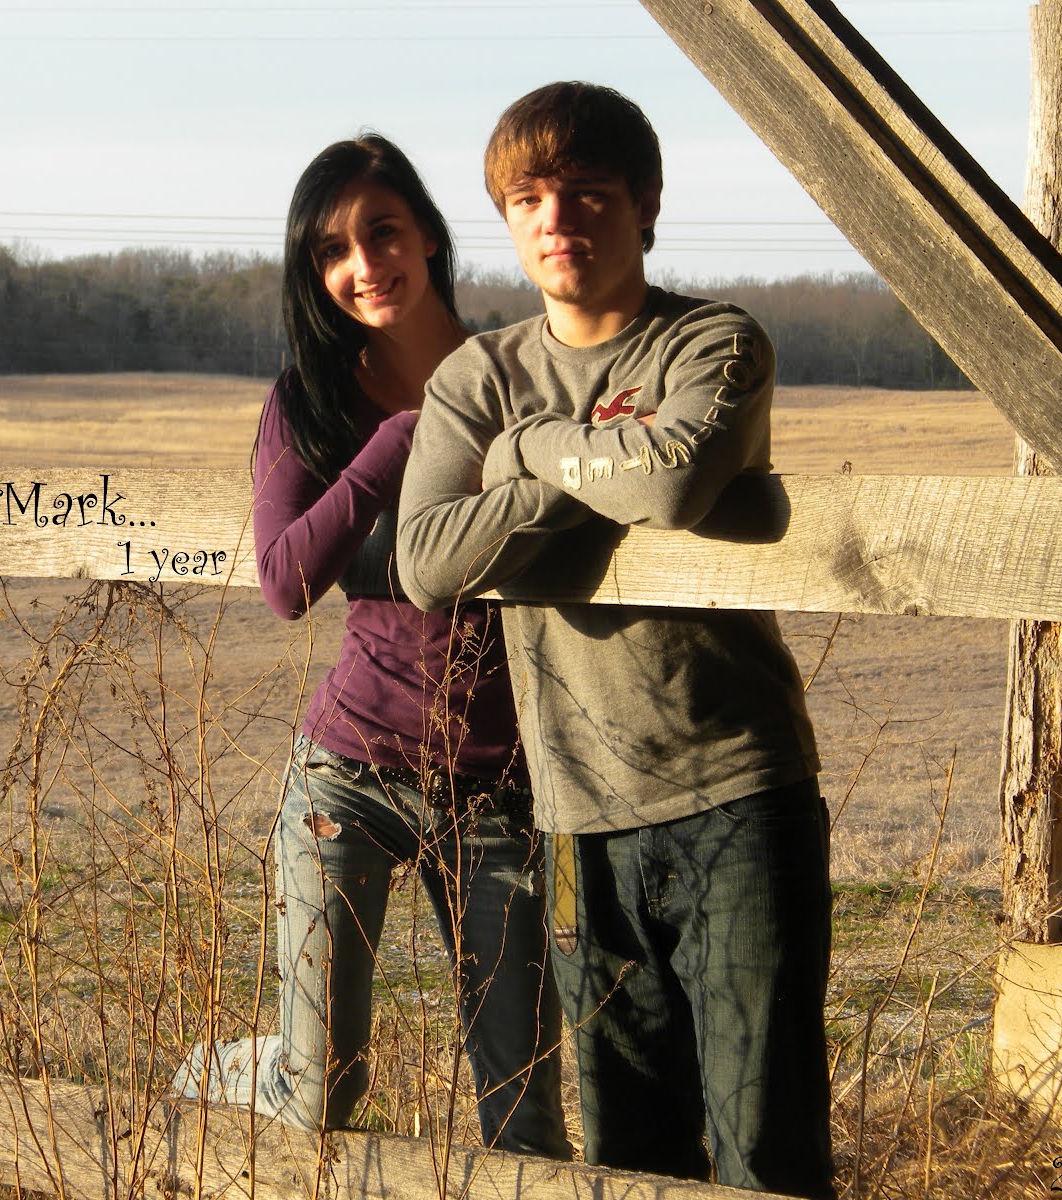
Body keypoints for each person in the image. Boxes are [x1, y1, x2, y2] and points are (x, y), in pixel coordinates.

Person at [395, 82, 835, 1198]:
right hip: (577, 814)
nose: (556, 219)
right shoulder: (476, 377)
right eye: (527, 199)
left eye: (587, 192)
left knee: (767, 1147)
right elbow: (428, 560)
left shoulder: (711, 340)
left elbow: (675, 483)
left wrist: (527, 449)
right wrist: (592, 464)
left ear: (646, 203)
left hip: (736, 792)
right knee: (630, 1156)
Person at [170, 133, 568, 1160]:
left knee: (523, 1113)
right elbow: (284, 581)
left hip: (496, 790)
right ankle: (210, 1075)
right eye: (332, 250)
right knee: (321, 1089)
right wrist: (393, 444)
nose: (363, 264)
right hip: (346, 775)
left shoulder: (524, 376)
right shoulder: (309, 400)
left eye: (382, 232)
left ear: (428, 235)